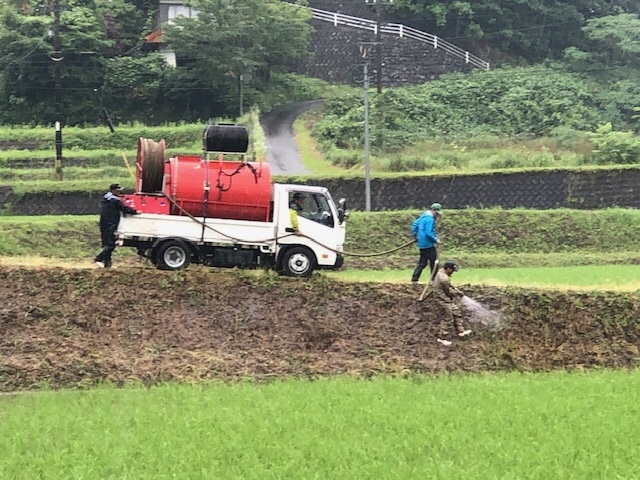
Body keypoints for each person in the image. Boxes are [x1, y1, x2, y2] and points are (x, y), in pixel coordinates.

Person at [94, 183, 139, 268]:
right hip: (110, 224)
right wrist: (136, 212)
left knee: (106, 244)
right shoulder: (114, 200)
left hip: (104, 223)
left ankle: (107, 265)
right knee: (111, 245)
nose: (120, 192)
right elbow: (125, 209)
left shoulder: (106, 198)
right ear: (113, 190)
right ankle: (98, 259)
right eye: (118, 190)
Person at [433, 259, 472, 344]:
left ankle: (461, 332)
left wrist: (456, 290)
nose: (452, 272)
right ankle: (441, 338)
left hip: (445, 299)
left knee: (456, 312)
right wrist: (457, 294)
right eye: (452, 270)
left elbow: (450, 286)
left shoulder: (441, 272)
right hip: (442, 300)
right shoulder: (444, 278)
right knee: (448, 318)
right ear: (448, 269)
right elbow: (448, 291)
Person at [410, 202, 442, 283]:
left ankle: (414, 279)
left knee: (422, 262)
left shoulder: (423, 216)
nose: (437, 216)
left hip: (422, 244)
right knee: (434, 262)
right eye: (437, 214)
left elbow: (414, 225)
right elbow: (429, 232)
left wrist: (415, 235)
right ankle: (434, 279)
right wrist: (435, 239)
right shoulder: (430, 219)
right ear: (434, 211)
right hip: (428, 244)